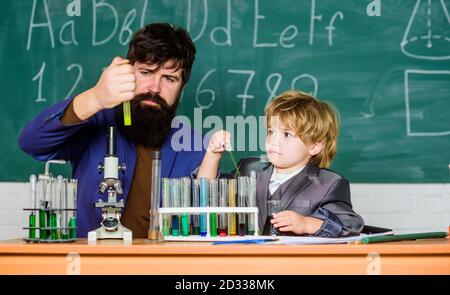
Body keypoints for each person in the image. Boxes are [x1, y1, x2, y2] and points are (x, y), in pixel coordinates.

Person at [19, 23, 206, 238]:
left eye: (169, 78)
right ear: (127, 72)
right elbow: (31, 142)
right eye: (146, 72)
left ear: (181, 88)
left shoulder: (195, 147)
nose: (155, 88)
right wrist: (95, 98)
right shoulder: (95, 121)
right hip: (93, 265)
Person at [197, 90, 364, 237]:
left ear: (314, 146)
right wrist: (212, 154)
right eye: (271, 132)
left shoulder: (329, 184)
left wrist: (307, 223)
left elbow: (351, 225)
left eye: (286, 134)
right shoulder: (248, 169)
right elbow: (205, 194)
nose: (274, 141)